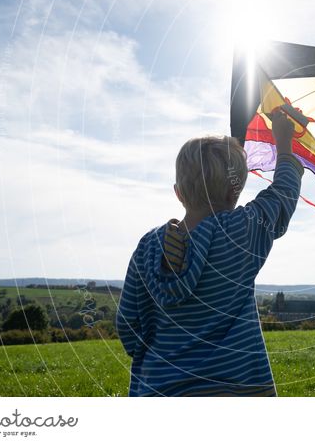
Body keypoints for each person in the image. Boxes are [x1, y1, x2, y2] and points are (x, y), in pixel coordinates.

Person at [116, 110, 303, 396]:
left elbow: (128, 324)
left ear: (178, 193)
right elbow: (282, 195)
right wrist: (284, 143)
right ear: (234, 193)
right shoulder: (240, 233)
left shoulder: (147, 247)